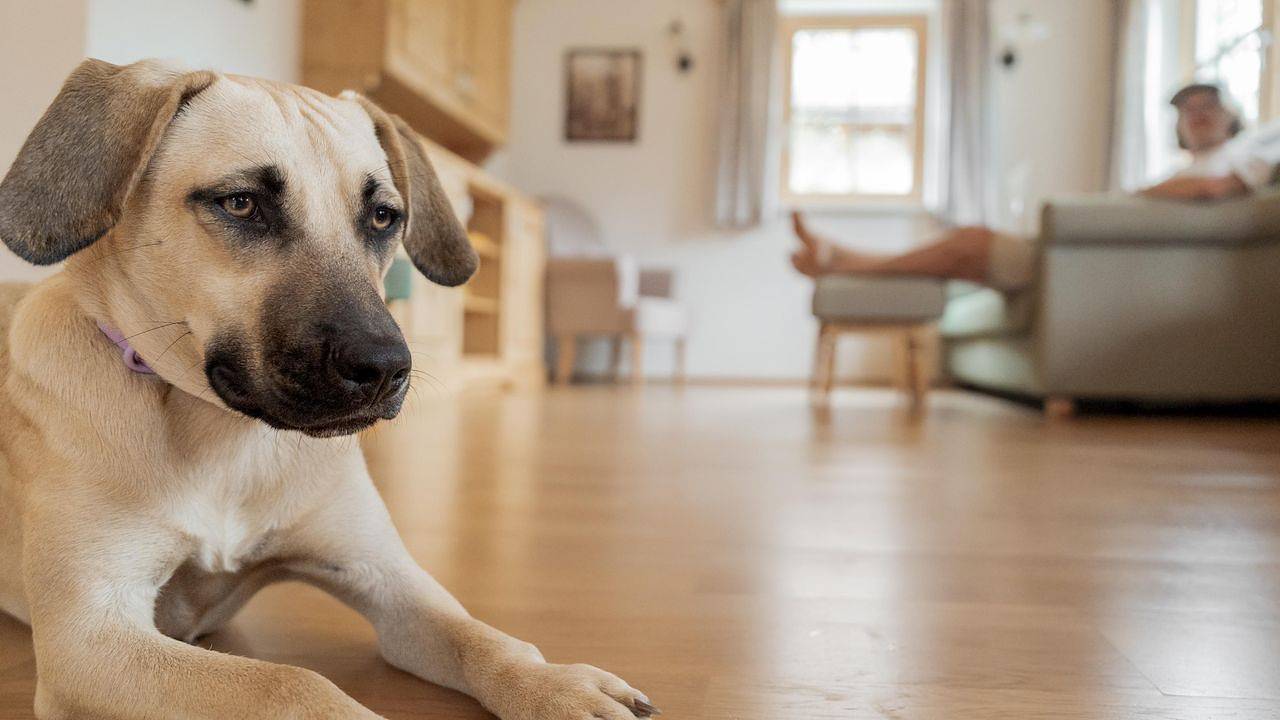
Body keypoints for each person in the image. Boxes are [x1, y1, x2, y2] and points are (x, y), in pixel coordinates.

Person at [790, 83, 1277, 292]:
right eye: (1186, 108)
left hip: (1102, 264)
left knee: (970, 242)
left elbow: (1216, 190)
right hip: (1088, 254)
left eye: (1207, 104)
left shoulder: (1244, 152)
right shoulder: (1180, 168)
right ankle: (842, 260)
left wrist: (1144, 194)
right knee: (961, 253)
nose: (1196, 114)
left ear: (1233, 112)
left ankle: (843, 262)